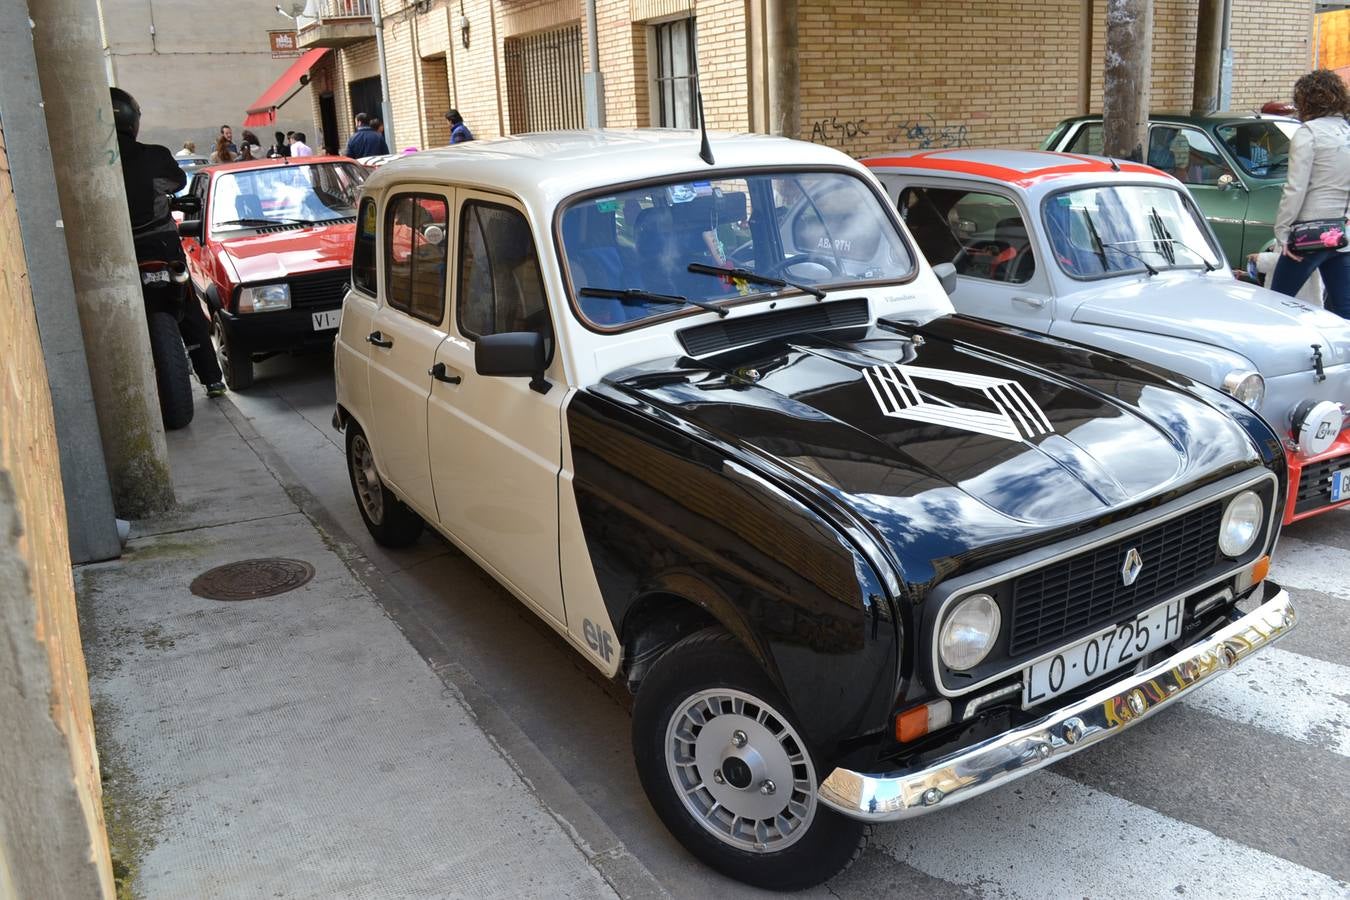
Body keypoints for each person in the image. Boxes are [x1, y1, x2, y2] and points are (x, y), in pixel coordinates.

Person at [110, 87, 226, 397]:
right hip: (161, 243)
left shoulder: (89, 161)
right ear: (133, 120)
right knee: (188, 305)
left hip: (116, 250)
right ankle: (213, 379)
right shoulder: (155, 155)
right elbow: (177, 182)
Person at [1270, 69, 1350, 318]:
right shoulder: (1347, 131)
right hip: (1342, 234)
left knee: (1275, 304)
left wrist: (1282, 233)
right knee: (1345, 310)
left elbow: (1295, 188)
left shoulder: (1309, 133)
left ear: (1305, 100)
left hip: (1308, 236)